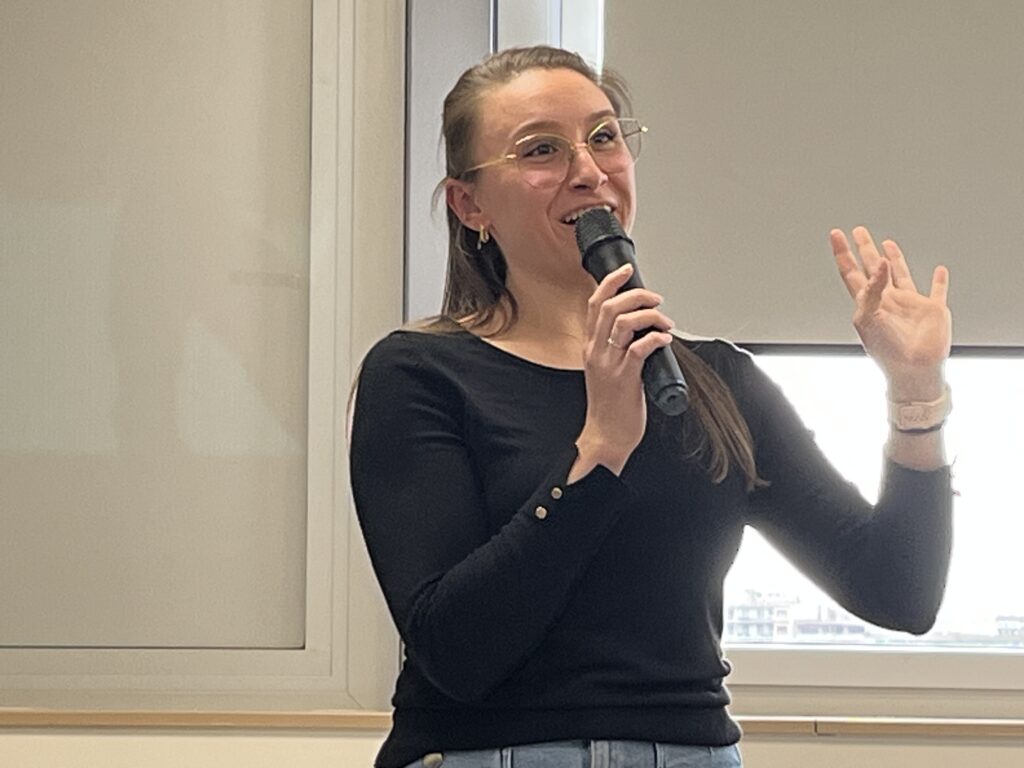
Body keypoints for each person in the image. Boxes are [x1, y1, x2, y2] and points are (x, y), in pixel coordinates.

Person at [349, 45, 953, 768]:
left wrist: (915, 394)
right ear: (470, 203)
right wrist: (599, 449)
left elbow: (899, 591)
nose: (589, 170)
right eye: (542, 149)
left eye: (604, 137)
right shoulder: (420, 374)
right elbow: (456, 652)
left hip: (690, 752)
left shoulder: (717, 382)